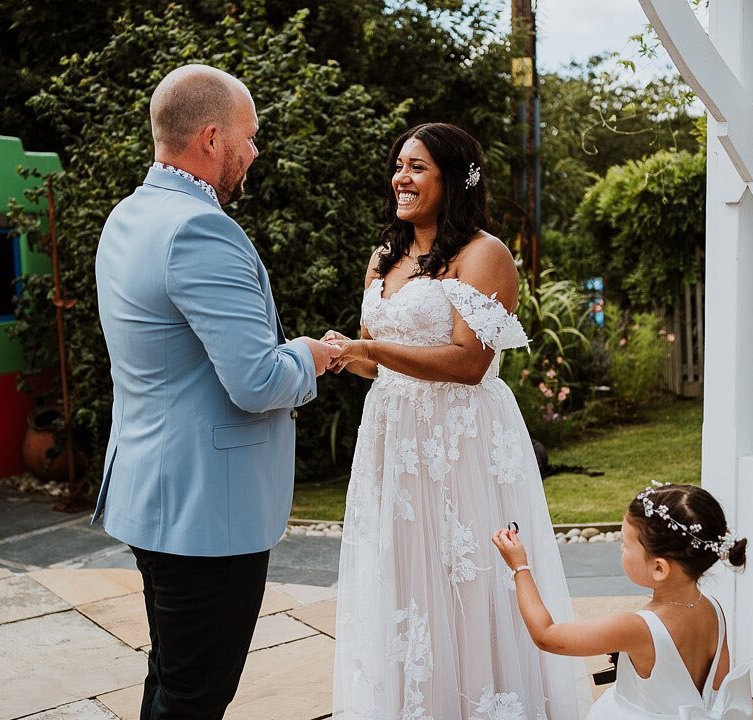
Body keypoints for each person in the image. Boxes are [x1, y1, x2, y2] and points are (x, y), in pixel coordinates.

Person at [91, 64, 340, 719]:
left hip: (153, 495)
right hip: (206, 514)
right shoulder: (200, 229)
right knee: (195, 697)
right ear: (211, 138)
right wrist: (311, 355)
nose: (254, 152)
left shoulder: (128, 216)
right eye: (248, 137)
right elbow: (257, 381)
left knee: (173, 678)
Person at [326, 123, 589, 719]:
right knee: (404, 573)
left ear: (453, 179)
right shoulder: (384, 256)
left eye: (417, 167)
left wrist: (372, 351)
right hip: (395, 439)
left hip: (459, 440)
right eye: (399, 165)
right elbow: (375, 359)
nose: (401, 178)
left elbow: (471, 362)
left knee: (466, 574)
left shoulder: (484, 255)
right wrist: (346, 353)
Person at [492, 482, 753, 720]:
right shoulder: (714, 609)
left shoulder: (635, 628)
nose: (621, 549)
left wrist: (519, 567)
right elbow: (714, 693)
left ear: (659, 568)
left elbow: (546, 635)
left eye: (625, 545)